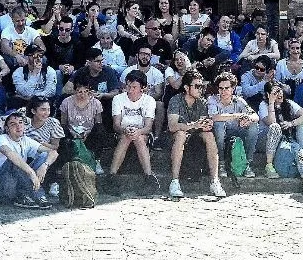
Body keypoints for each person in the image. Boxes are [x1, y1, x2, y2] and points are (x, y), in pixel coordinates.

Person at [166, 69, 225, 198]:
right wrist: (194, 125)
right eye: (197, 86)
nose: (201, 89)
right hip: (177, 138)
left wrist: (206, 124)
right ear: (187, 88)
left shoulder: (202, 102)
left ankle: (215, 180)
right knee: (181, 134)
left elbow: (203, 123)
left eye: (202, 86)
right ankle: (174, 181)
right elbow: (172, 126)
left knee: (209, 134)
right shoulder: (176, 100)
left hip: (195, 138)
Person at [102, 70, 160, 196]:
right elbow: (116, 125)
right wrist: (125, 130)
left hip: (143, 133)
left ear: (142, 88)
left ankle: (149, 177)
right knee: (127, 137)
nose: (130, 90)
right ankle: (111, 176)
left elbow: (148, 127)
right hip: (123, 133)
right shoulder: (118, 99)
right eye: (128, 86)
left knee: (138, 138)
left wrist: (138, 131)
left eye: (134, 87)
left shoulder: (149, 101)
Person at [0, 112, 53, 209]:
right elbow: (10, 154)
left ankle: (25, 195)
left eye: (20, 123)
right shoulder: (0, 139)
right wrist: (31, 173)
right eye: (13, 124)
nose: (18, 126)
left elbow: (53, 152)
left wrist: (45, 165)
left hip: (17, 185)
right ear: (7, 129)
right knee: (14, 161)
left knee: (44, 156)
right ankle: (37, 194)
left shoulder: (25, 140)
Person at [258, 82, 303, 193]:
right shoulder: (264, 105)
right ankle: (269, 165)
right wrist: (271, 102)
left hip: (286, 140)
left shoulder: (289, 103)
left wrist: (291, 123)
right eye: (275, 92)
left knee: (299, 150)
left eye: (280, 90)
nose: (279, 94)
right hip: (267, 141)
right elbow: (271, 123)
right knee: (275, 127)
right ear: (268, 94)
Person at [208, 71, 259, 177]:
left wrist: (248, 119)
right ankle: (221, 163)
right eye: (221, 88)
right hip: (220, 133)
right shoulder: (212, 99)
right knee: (219, 124)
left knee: (253, 126)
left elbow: (256, 116)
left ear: (233, 88)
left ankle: (247, 163)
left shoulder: (239, 100)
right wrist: (237, 116)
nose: (224, 91)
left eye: (227, 88)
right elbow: (214, 117)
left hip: (237, 131)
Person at [59, 73, 107, 174]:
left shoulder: (96, 103)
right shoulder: (66, 102)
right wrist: (72, 133)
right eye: (79, 92)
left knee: (100, 129)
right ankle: (64, 163)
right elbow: (63, 123)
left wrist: (88, 132)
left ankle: (97, 160)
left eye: (86, 91)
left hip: (88, 134)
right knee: (61, 131)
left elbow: (98, 122)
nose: (83, 95)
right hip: (72, 133)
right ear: (74, 91)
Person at [11, 45, 57, 111]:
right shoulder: (18, 72)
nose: (38, 58)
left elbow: (51, 92)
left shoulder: (49, 70)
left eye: (40, 55)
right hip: (25, 102)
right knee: (15, 100)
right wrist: (34, 74)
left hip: (43, 101)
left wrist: (32, 97)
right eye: (34, 55)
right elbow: (24, 93)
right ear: (26, 57)